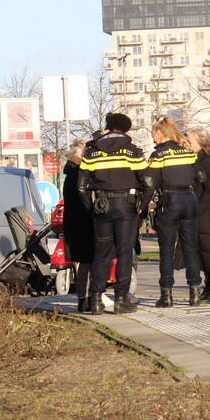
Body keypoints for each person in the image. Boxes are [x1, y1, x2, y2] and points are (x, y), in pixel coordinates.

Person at [77, 112, 148, 315]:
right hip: (126, 206)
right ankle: (120, 299)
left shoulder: (91, 152)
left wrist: (92, 209)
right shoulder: (132, 152)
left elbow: (81, 187)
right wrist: (141, 206)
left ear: (108, 126)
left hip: (102, 206)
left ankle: (96, 300)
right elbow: (148, 181)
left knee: (102, 253)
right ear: (126, 129)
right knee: (125, 252)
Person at [144, 117, 203, 307]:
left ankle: (166, 295)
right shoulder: (187, 152)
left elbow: (149, 183)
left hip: (169, 203)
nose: (152, 137)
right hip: (189, 200)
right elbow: (202, 176)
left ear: (160, 133)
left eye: (153, 133)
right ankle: (195, 293)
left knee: (167, 251)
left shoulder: (159, 155)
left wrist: (142, 206)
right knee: (191, 248)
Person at [185, 126, 210, 304]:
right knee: (205, 252)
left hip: (208, 214)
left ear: (200, 141)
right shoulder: (199, 159)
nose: (187, 143)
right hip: (203, 213)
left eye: (190, 140)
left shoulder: (208, 162)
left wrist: (197, 209)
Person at [61, 137, 95, 313]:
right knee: (89, 262)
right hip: (84, 223)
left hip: (75, 224)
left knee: (85, 263)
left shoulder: (70, 173)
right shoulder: (79, 175)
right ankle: (87, 299)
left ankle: (84, 299)